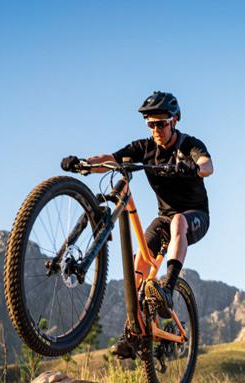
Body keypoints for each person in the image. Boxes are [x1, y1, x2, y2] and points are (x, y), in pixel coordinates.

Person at [60, 91, 214, 359]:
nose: (156, 130)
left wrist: (194, 168)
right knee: (137, 270)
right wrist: (83, 164)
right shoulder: (144, 148)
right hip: (164, 219)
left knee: (178, 221)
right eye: (151, 124)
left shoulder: (189, 145)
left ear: (174, 121)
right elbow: (110, 159)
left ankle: (168, 290)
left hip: (194, 216)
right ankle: (132, 333)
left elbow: (207, 164)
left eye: (161, 124)